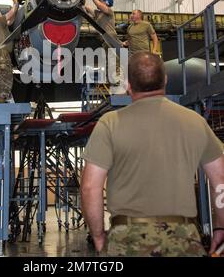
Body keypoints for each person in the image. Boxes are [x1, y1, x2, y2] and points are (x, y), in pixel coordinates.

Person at [81, 52, 224, 257]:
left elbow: (89, 188)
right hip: (184, 240)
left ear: (128, 85)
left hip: (126, 240)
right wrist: (221, 226)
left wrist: (98, 235)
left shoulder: (109, 124)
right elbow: (220, 180)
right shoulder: (194, 121)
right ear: (165, 80)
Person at [0, 0, 19, 103]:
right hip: (3, 55)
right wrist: (16, 4)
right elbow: (10, 15)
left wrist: (15, 10)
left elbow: (10, 21)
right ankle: (1, 103)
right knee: (6, 80)